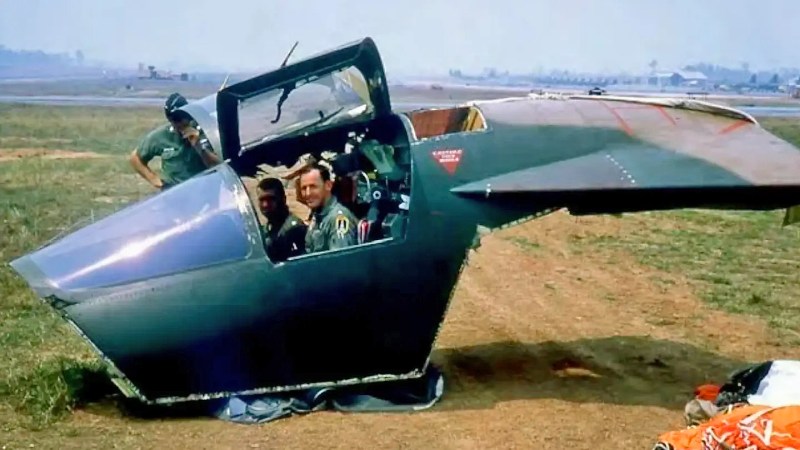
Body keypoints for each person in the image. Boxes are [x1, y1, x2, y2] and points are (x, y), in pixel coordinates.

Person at [129, 92, 221, 191]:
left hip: (204, 194)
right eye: (175, 121)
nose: (179, 125)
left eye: (182, 120)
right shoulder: (162, 136)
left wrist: (199, 147)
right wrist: (158, 182)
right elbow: (135, 158)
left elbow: (219, 166)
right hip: (175, 195)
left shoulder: (206, 132)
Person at [298, 164, 358, 253]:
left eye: (313, 187)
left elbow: (340, 260)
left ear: (328, 186)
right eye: (304, 188)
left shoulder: (338, 218)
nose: (307, 193)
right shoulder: (317, 217)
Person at [256, 177, 307, 261]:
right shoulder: (267, 228)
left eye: (271, 199)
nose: (265, 205)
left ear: (283, 199)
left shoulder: (294, 229)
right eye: (262, 200)